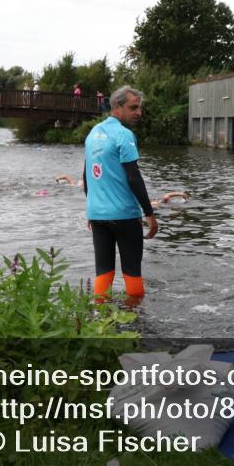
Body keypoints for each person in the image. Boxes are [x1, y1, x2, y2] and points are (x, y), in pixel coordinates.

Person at [83, 86, 158, 304]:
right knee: (132, 272)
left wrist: (91, 209)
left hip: (97, 216)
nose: (139, 113)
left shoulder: (92, 134)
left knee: (103, 271)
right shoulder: (124, 135)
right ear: (117, 107)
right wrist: (149, 213)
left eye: (139, 108)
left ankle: (100, 319)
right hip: (125, 216)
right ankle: (135, 320)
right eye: (133, 107)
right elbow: (134, 178)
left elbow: (87, 175)